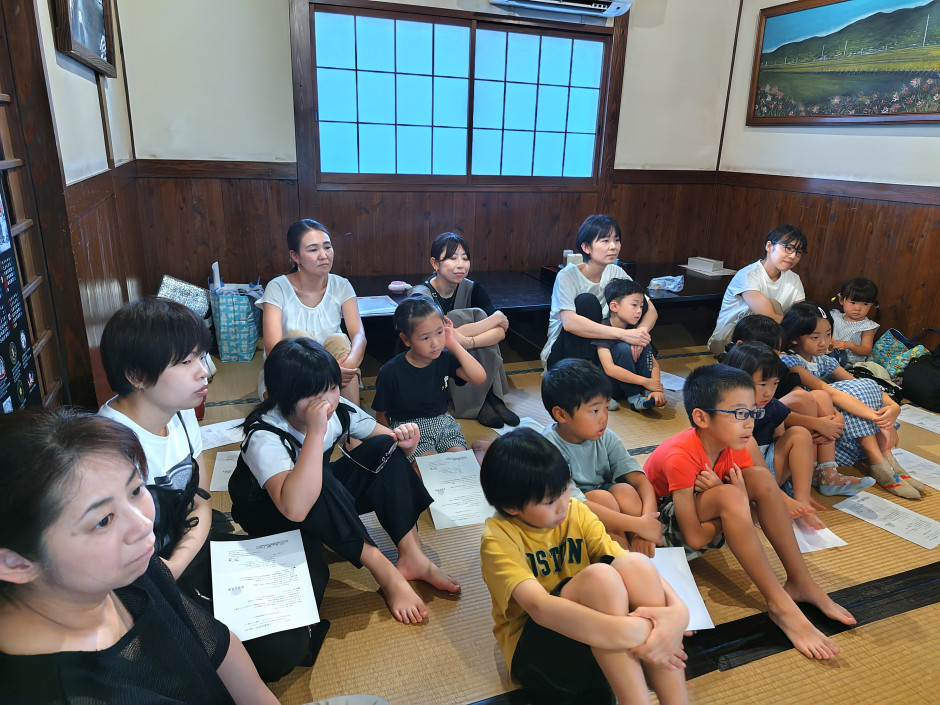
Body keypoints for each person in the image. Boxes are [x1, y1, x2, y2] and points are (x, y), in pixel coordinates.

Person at [99, 297, 317, 681]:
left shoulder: (181, 411)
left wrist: (180, 561)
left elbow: (200, 500)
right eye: (186, 362)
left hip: (187, 551)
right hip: (144, 578)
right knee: (279, 648)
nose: (204, 372)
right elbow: (113, 560)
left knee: (308, 563)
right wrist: (170, 571)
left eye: (201, 356)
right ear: (136, 375)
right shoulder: (108, 444)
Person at [0, 407, 280, 704]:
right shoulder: (58, 692)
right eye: (103, 520)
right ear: (15, 563)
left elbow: (218, 647)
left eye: (135, 490)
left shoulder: (130, 570)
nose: (144, 525)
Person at [229, 336, 460, 625]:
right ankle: (384, 571)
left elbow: (387, 446)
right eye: (313, 395)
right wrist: (316, 433)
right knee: (317, 477)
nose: (327, 401)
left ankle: (412, 556)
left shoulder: (339, 410)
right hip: (272, 516)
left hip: (316, 499)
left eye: (332, 387)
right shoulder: (265, 435)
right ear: (283, 396)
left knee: (385, 447)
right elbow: (294, 509)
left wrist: (407, 444)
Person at [643, 364, 856, 660]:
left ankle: (801, 581)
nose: (749, 424)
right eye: (739, 413)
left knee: (760, 478)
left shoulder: (732, 442)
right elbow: (694, 537)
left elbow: (754, 504)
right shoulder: (680, 455)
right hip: (661, 533)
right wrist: (736, 511)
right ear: (701, 417)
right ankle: (779, 604)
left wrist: (739, 506)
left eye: (752, 412)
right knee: (732, 495)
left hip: (701, 510)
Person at [479, 428, 689, 705]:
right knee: (601, 577)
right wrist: (636, 630)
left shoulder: (576, 511)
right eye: (549, 501)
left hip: (602, 640)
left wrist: (677, 613)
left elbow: (628, 562)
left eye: (565, 488)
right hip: (541, 659)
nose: (563, 506)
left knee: (635, 563)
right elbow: (540, 609)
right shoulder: (498, 539)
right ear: (511, 507)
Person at [781, 303, 925, 500]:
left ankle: (886, 458)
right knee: (845, 393)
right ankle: (878, 462)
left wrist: (893, 408)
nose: (824, 342)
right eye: (815, 337)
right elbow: (830, 393)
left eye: (828, 334)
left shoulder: (823, 359)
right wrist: (879, 420)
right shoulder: (791, 362)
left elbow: (860, 384)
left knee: (866, 383)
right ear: (794, 338)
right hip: (818, 428)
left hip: (835, 423)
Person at [541, 359, 663, 557]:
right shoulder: (547, 448)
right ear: (561, 414)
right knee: (602, 498)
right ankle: (621, 555)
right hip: (567, 513)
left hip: (608, 507)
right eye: (595, 411)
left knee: (625, 491)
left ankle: (635, 547)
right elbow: (574, 504)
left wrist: (648, 521)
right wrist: (637, 524)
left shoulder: (605, 436)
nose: (604, 418)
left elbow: (640, 481)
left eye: (606, 407)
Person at [410, 232, 518, 428]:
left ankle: (491, 397)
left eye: (465, 258)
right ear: (435, 263)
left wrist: (465, 341)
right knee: (461, 317)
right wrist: (495, 319)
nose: (461, 264)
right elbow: (439, 336)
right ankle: (476, 403)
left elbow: (500, 332)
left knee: (478, 316)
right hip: (435, 358)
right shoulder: (421, 295)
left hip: (462, 352)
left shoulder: (474, 288)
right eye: (452, 258)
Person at [258, 219, 366, 405]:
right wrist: (325, 373)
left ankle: (350, 420)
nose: (324, 255)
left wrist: (350, 363)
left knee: (339, 341)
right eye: (313, 249)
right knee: (298, 339)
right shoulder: (277, 287)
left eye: (327, 247)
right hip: (291, 369)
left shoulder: (342, 285)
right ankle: (305, 414)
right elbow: (273, 348)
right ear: (295, 256)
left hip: (336, 370)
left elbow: (359, 335)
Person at [372, 295, 487, 460]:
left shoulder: (444, 358)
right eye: (425, 338)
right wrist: (395, 444)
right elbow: (381, 415)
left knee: (461, 463)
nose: (435, 343)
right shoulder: (390, 372)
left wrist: (453, 343)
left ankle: (475, 450)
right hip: (410, 429)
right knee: (430, 468)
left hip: (443, 424)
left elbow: (479, 378)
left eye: (439, 332)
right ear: (406, 339)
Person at [542, 214, 657, 370]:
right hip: (565, 354)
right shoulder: (567, 276)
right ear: (586, 247)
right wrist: (623, 334)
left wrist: (639, 334)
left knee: (634, 303)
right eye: (605, 241)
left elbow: (650, 309)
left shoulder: (616, 272)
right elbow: (570, 323)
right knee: (586, 302)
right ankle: (581, 376)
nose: (613, 246)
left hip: (601, 347)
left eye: (616, 240)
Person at [708, 224, 807, 355]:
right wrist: (799, 326)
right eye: (788, 248)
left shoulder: (794, 279)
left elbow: (801, 314)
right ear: (769, 246)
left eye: (799, 252)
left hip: (770, 341)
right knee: (773, 305)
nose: (793, 256)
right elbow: (768, 316)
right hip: (730, 342)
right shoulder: (748, 275)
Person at [593, 278, 666, 412]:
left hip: (635, 383)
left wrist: (655, 388)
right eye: (634, 305)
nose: (639, 311)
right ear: (614, 307)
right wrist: (644, 381)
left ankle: (647, 394)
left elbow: (653, 364)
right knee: (622, 349)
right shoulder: (603, 329)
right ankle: (634, 398)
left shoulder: (635, 329)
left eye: (641, 306)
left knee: (645, 345)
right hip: (611, 386)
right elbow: (609, 369)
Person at [830, 277, 880, 367]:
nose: (857, 308)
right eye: (853, 302)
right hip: (830, 357)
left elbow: (866, 350)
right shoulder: (834, 316)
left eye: (865, 304)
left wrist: (850, 346)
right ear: (841, 300)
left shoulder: (867, 326)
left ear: (871, 305)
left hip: (850, 364)